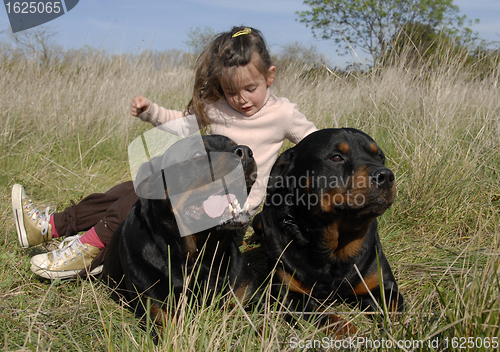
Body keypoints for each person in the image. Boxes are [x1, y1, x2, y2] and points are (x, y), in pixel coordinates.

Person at [12, 26, 317, 280]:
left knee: (148, 194)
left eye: (250, 88)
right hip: (201, 197)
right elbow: (183, 126)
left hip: (231, 211)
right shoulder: (218, 108)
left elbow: (315, 144)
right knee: (130, 189)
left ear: (270, 76)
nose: (241, 99)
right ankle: (50, 226)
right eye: (230, 91)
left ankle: (89, 248)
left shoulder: (284, 114)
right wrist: (151, 112)